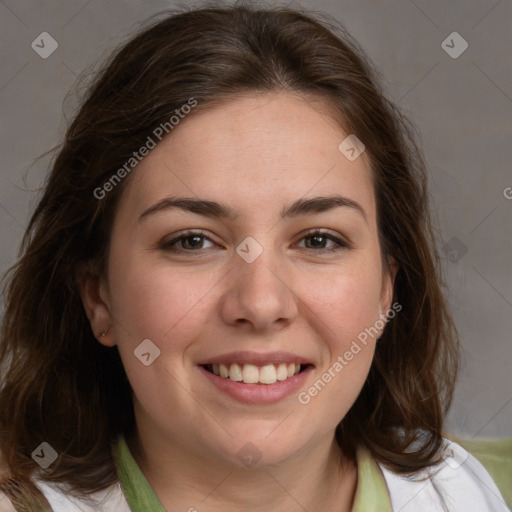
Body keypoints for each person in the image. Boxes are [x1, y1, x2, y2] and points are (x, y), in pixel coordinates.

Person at [0, 3, 509, 511]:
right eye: (192, 241)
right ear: (98, 297)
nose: (262, 304)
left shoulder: (474, 493)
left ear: (385, 291)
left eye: (318, 240)